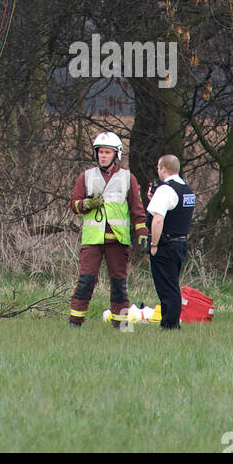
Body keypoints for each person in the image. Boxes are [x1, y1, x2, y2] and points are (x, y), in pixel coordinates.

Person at [68, 131, 148, 328]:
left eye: (107, 152)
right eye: (100, 152)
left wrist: (142, 233)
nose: (102, 155)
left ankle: (121, 325)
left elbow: (137, 208)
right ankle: (74, 323)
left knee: (119, 285)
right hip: (92, 239)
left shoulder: (128, 178)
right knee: (85, 281)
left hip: (117, 241)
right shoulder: (85, 176)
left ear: (116, 154)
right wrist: (87, 204)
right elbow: (74, 205)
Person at [147, 155, 195, 330]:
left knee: (167, 287)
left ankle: (170, 325)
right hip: (181, 243)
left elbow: (158, 219)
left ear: (163, 169)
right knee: (172, 283)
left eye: (159, 168)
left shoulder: (165, 190)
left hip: (166, 244)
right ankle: (171, 322)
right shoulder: (186, 189)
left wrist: (154, 244)